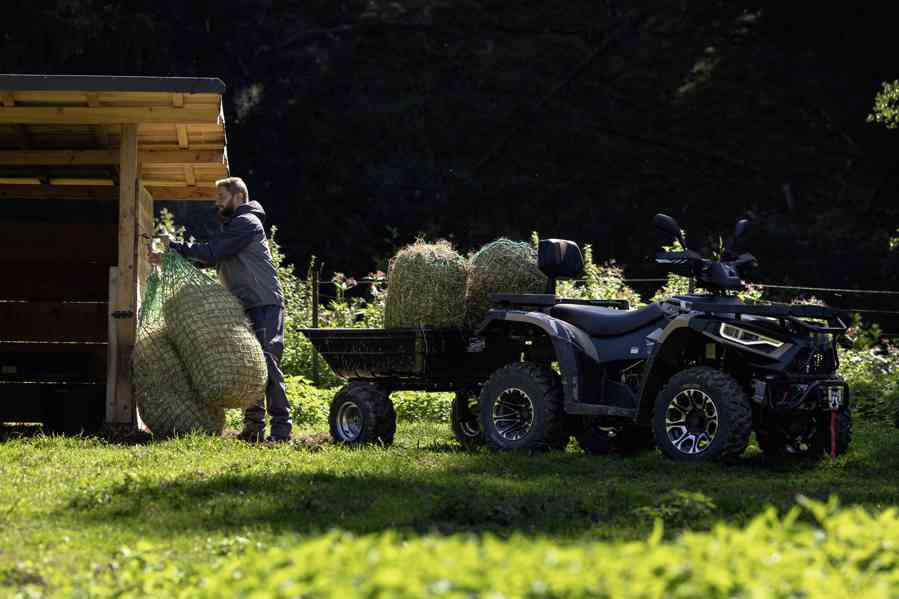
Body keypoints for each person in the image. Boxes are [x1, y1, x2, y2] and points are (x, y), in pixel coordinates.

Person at [149, 177, 292, 443]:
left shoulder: (246, 223)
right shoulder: (234, 225)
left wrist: (174, 245)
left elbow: (213, 252)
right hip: (245, 305)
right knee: (251, 366)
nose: (217, 203)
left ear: (238, 197)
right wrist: (170, 256)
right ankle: (253, 428)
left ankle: (282, 430)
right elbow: (211, 258)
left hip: (262, 303)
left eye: (221, 197)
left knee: (267, 363)